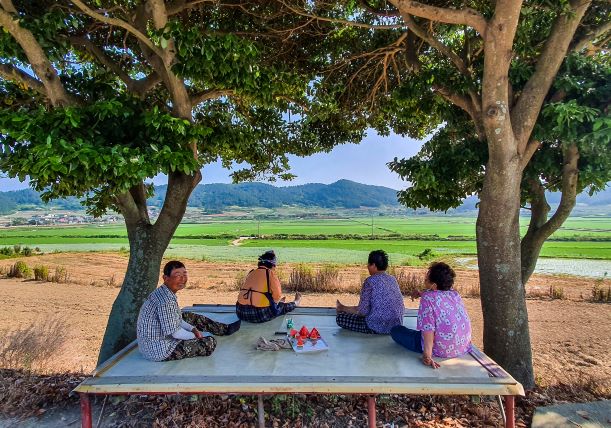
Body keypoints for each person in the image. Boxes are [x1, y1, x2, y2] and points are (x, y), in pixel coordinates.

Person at [137, 260, 241, 362]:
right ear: (166, 278)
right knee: (210, 343)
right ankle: (219, 331)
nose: (182, 279)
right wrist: (196, 336)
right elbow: (176, 334)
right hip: (160, 350)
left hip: (151, 345)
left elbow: (177, 319)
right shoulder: (165, 301)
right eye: (177, 275)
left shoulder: (163, 292)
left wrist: (193, 329)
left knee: (186, 316)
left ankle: (223, 329)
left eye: (185, 274)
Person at [390, 262, 472, 369]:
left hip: (440, 349)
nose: (425, 279)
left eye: (427, 278)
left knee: (396, 330)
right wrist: (420, 293)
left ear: (434, 285)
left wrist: (427, 355)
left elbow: (428, 329)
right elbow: (437, 294)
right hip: (462, 346)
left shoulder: (427, 299)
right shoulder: (454, 294)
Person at [336, 250, 404, 334]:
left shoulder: (370, 281)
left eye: (369, 264)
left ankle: (341, 307)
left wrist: (343, 309)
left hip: (376, 326)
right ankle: (342, 308)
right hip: (395, 326)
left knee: (340, 318)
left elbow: (362, 311)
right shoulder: (392, 279)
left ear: (374, 265)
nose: (367, 266)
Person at [236, 250, 301, 323]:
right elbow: (277, 295)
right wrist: (276, 304)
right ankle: (296, 302)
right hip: (259, 314)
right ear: (272, 265)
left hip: (240, 312)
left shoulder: (251, 272)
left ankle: (280, 304)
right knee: (282, 308)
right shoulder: (270, 273)